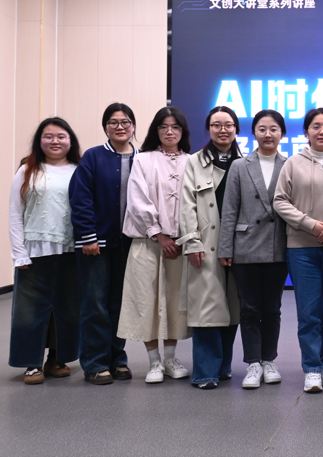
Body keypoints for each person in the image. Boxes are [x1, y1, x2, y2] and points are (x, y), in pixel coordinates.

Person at [274, 108, 323, 393]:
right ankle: (311, 368)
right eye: (316, 126)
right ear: (306, 131)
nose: (322, 131)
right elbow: (280, 201)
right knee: (309, 312)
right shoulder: (293, 163)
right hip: (302, 246)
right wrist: (310, 224)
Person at [118, 107, 192, 384]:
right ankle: (154, 363)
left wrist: (183, 237)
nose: (169, 132)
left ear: (183, 131)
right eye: (163, 127)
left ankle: (171, 359)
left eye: (175, 127)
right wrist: (158, 234)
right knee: (145, 300)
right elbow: (137, 199)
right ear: (155, 130)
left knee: (174, 301)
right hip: (147, 243)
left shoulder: (192, 161)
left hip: (179, 245)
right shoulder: (143, 159)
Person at [70, 103, 139, 385]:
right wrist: (88, 236)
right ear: (105, 127)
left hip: (129, 244)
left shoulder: (142, 159)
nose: (120, 126)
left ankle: (117, 358)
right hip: (95, 244)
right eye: (113, 122)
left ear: (133, 126)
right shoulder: (93, 156)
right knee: (95, 304)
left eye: (125, 121)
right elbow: (80, 198)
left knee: (119, 304)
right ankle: (95, 363)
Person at [8, 118, 81, 385]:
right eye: (48, 136)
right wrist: (19, 252)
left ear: (70, 140)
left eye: (61, 136)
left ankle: (57, 359)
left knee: (67, 308)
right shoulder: (27, 169)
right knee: (30, 310)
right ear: (40, 141)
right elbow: (15, 213)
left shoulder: (79, 170)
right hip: (34, 251)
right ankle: (32, 363)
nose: (55, 141)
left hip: (71, 251)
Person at [219, 110, 288, 389]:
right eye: (262, 129)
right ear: (253, 133)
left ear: (282, 133)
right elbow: (229, 210)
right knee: (249, 308)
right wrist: (225, 247)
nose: (268, 134)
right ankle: (253, 363)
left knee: (272, 308)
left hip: (278, 245)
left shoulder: (290, 164)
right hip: (245, 246)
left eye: (273, 129)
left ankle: (269, 360)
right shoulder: (239, 165)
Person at [179, 105, 242, 389]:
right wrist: (192, 243)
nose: (222, 130)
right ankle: (205, 372)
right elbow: (187, 205)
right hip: (205, 245)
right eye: (216, 125)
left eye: (228, 124)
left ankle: (224, 366)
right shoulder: (195, 161)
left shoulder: (244, 161)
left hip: (239, 246)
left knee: (233, 308)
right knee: (207, 309)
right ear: (208, 129)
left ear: (236, 128)